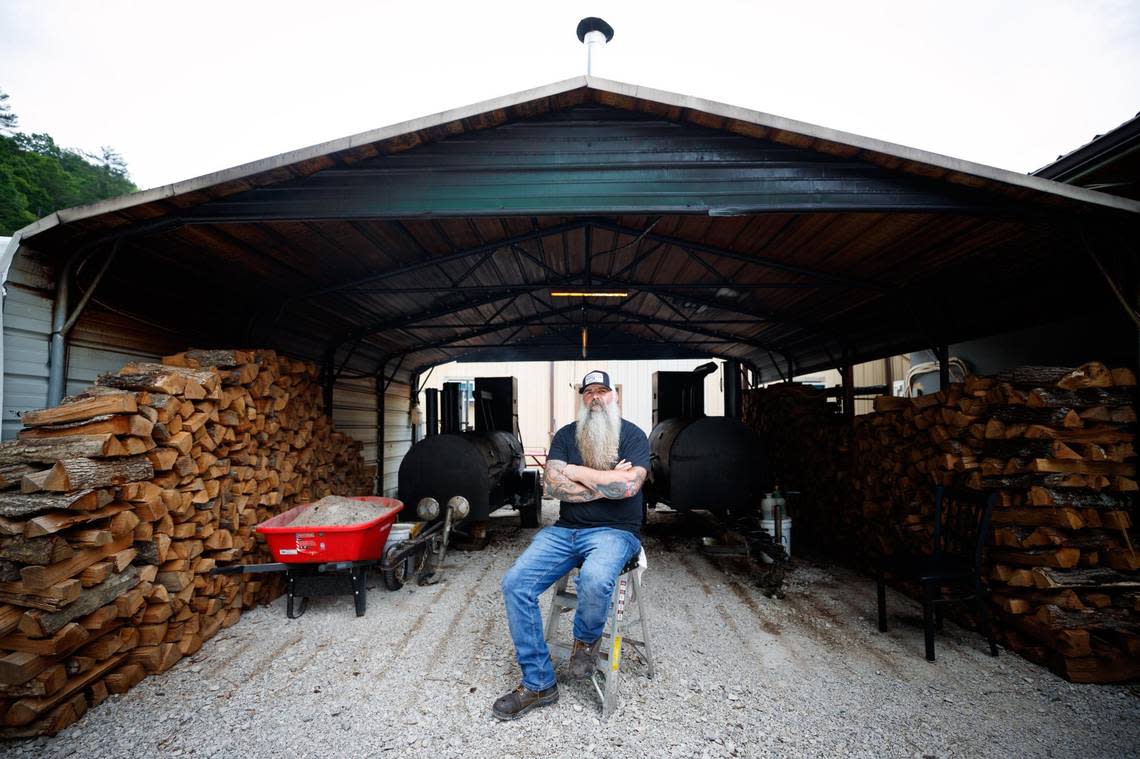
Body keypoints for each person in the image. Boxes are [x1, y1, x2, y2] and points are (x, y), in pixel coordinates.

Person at [492, 369, 650, 721]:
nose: (595, 397)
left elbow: (630, 489)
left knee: (593, 579)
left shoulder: (634, 436)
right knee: (515, 583)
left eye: (602, 391)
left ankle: (585, 641)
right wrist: (607, 478)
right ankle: (539, 683)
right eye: (589, 391)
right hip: (564, 531)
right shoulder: (567, 434)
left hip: (616, 532)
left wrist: (576, 472)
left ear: (614, 396)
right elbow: (553, 486)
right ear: (582, 398)